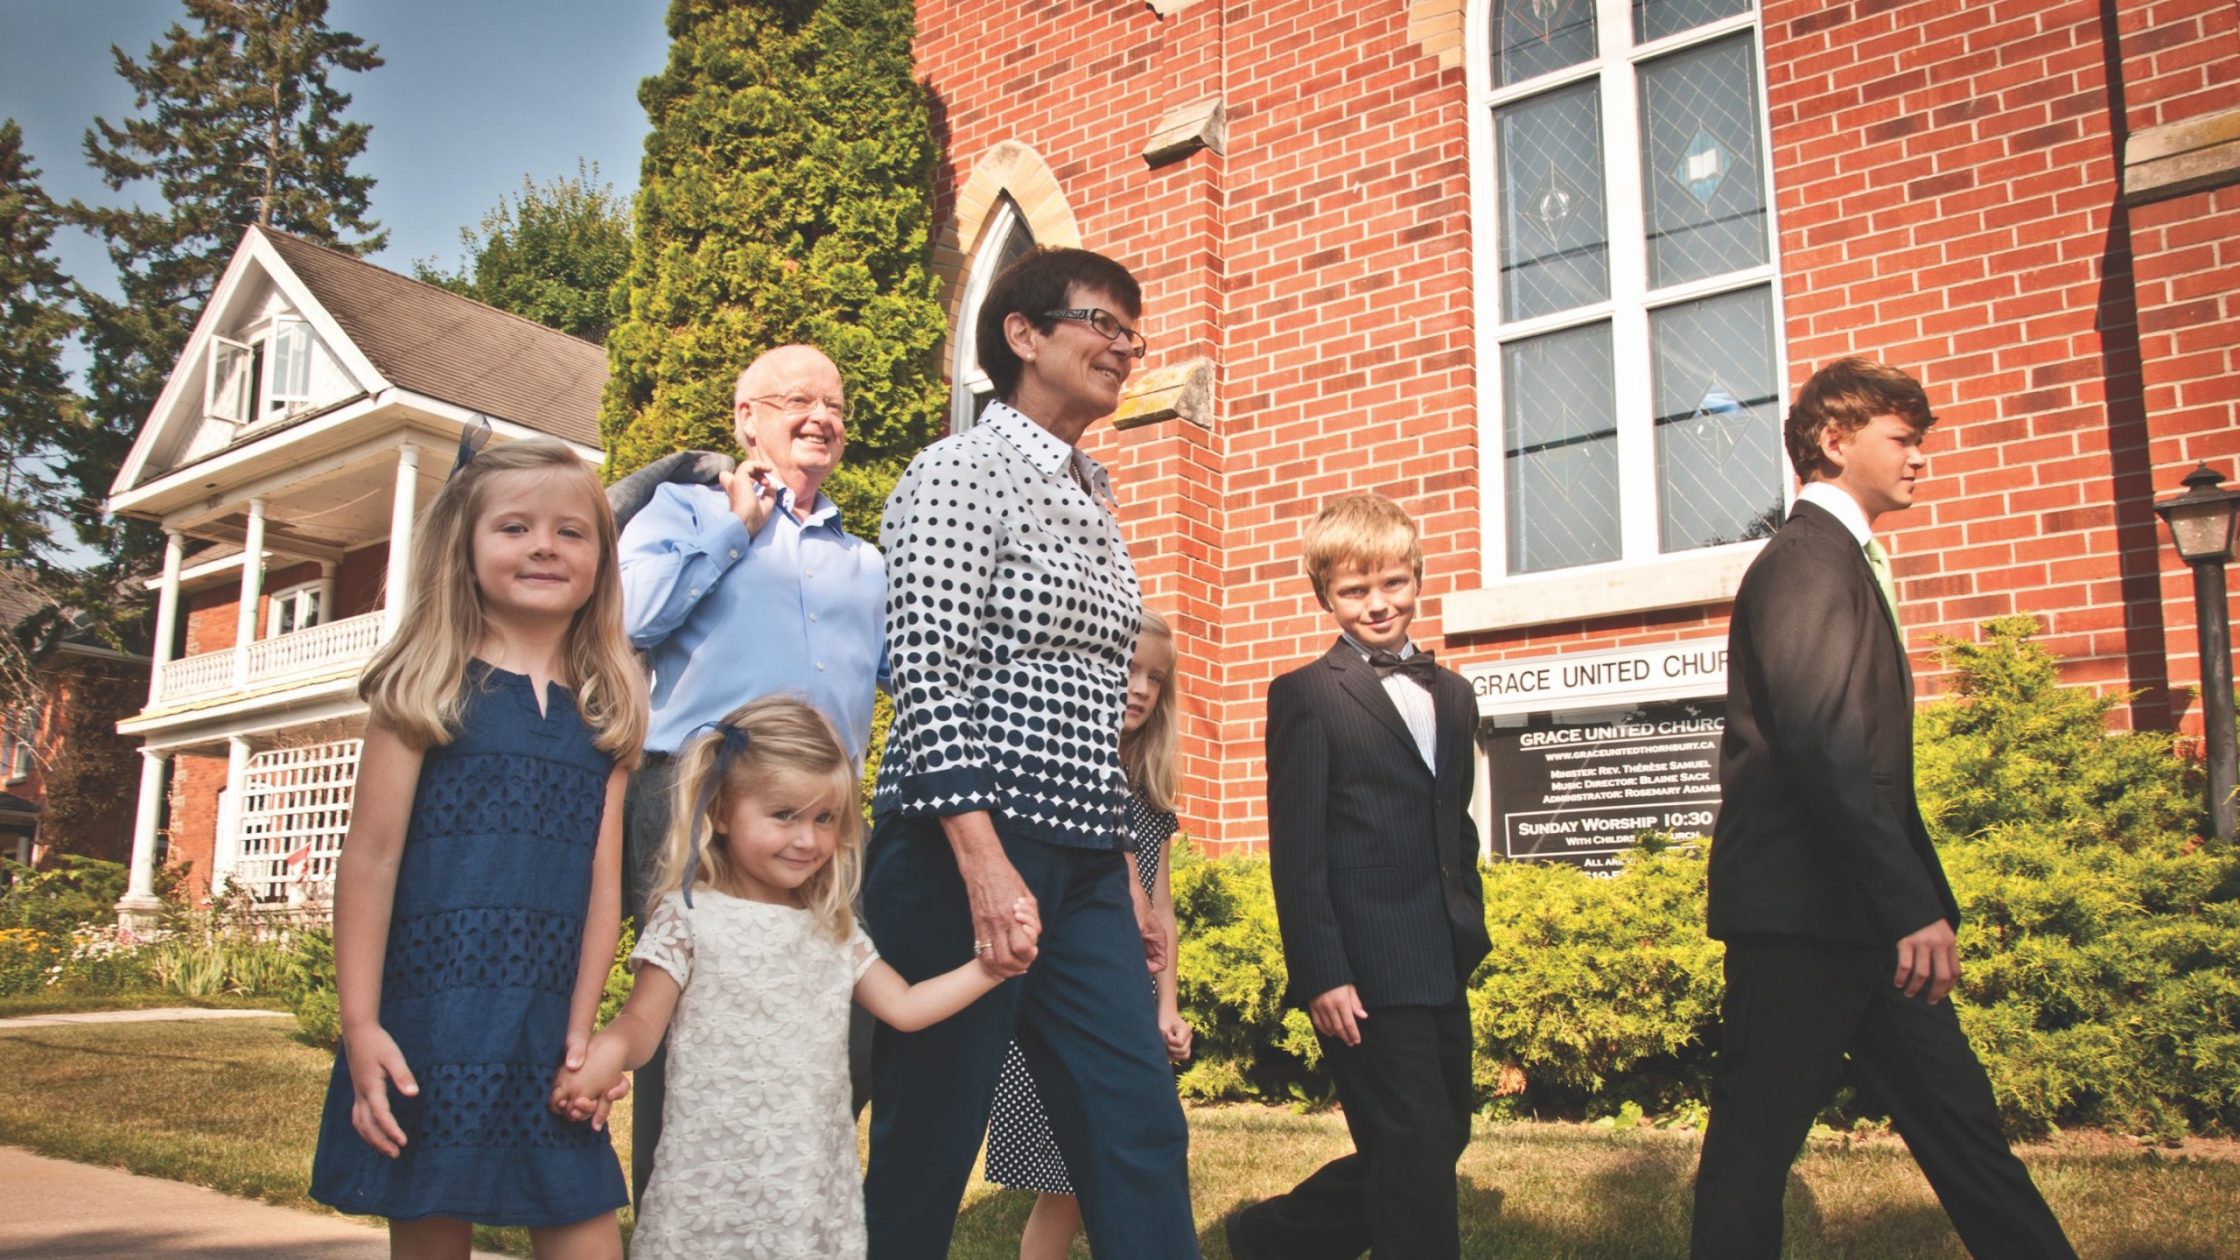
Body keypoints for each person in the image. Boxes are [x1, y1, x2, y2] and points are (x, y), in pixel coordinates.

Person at [1689, 358, 2075, 1258]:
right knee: (1751, 1151)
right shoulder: (1806, 563)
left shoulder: (1839, 562)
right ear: (1834, 439)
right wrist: (1910, 908)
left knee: (1966, 1134)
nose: (1919, 459)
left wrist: (1916, 903)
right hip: (1802, 923)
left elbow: (1865, 766)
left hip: (1862, 919)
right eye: (1902, 439)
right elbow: (1827, 748)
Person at [862, 245, 1198, 1259]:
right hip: (959, 841)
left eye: (1131, 336)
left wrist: (1120, 875)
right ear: (1021, 334)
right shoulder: (959, 470)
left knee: (1135, 1120)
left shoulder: (1095, 496)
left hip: (1083, 859)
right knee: (928, 1139)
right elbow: (925, 671)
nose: (1122, 349)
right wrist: (982, 858)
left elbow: (1096, 700)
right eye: (1101, 323)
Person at [310, 437, 648, 1260]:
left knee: (588, 1232)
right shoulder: (424, 691)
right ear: (463, 549)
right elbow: (372, 860)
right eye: (515, 528)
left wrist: (583, 1037)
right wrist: (360, 1026)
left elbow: (604, 886)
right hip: (432, 1025)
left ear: (602, 561)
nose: (544, 545)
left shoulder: (607, 711)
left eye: (572, 532)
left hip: (545, 1035)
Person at [548, 698, 1038, 1260]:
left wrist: (989, 969)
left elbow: (904, 1006)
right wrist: (608, 1049)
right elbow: (641, 1024)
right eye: (784, 815)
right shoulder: (689, 918)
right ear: (723, 812)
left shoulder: (833, 929)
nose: (807, 840)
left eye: (824, 819)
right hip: (712, 1183)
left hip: (806, 1188)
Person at [614, 343, 885, 1200]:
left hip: (824, 818)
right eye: (798, 400)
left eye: (835, 406)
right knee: (692, 1021)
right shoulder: (683, 512)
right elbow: (627, 617)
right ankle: (678, 1227)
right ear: (746, 419)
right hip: (697, 801)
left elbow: (918, 673)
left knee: (851, 1025)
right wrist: (736, 531)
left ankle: (778, 1210)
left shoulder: (867, 563)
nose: (821, 418)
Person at [1227, 493, 1492, 1260]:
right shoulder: (1308, 697)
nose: (1378, 606)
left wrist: (1466, 924)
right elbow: (1297, 851)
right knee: (1412, 1148)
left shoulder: (1455, 694)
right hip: (1364, 966)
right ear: (1326, 597)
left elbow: (1454, 823)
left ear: (1416, 577)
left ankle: (1273, 1238)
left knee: (1443, 1133)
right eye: (1354, 591)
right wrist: (1321, 973)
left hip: (1439, 950)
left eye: (1391, 585)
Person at [985, 610, 1194, 1260]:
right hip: (1069, 1003)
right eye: (1126, 670)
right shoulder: (1055, 779)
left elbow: (1160, 910)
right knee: (1070, 1178)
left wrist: (1167, 1006)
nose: (1139, 688)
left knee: (1103, 1168)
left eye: (1154, 679)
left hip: (1127, 1002)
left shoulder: (1148, 798)